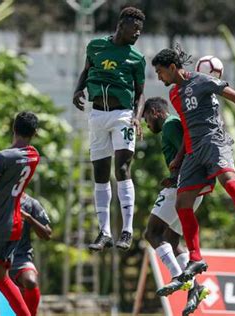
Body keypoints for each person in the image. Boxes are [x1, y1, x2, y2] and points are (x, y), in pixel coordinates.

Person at [151, 47, 235, 283]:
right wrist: (179, 158)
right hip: (192, 151)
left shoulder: (201, 80)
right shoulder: (173, 95)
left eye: (160, 72)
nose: (159, 77)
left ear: (172, 68)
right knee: (182, 202)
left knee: (229, 180)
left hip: (213, 140)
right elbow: (186, 126)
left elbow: (229, 93)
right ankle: (195, 257)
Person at [72, 6, 146, 252]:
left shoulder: (136, 58)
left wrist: (136, 117)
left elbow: (140, 92)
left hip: (122, 115)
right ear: (121, 24)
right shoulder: (95, 46)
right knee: (100, 173)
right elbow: (86, 71)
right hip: (97, 115)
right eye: (134, 28)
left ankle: (127, 230)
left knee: (122, 169)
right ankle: (103, 232)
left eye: (140, 30)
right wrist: (78, 90)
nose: (137, 33)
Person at [142, 97, 209, 316]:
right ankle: (195, 289)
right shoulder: (171, 126)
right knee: (171, 239)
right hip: (192, 189)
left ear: (154, 112)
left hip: (184, 188)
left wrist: (179, 176)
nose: (147, 125)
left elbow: (190, 150)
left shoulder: (170, 124)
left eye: (146, 119)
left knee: (151, 233)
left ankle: (177, 277)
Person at [0, 111, 40, 316]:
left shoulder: (3, 157)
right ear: (35, 133)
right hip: (14, 224)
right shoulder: (34, 155)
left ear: (13, 128)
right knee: (2, 278)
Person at [9, 193, 52, 316]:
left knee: (30, 281)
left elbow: (47, 234)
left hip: (20, 258)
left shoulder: (31, 203)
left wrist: (29, 218)